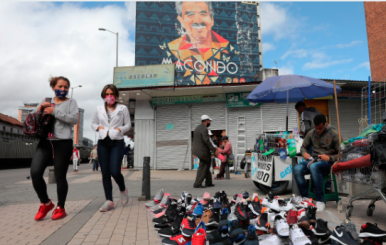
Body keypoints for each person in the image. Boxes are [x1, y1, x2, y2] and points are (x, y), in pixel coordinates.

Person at [30, 76, 79, 221]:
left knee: (60, 177)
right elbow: (33, 117)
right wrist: (40, 109)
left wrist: (54, 111)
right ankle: (45, 203)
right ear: (53, 87)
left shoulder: (72, 102)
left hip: (63, 143)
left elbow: (74, 119)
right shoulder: (46, 101)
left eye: (66, 87)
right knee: (35, 173)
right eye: (60, 86)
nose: (63, 89)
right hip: (45, 142)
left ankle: (60, 207)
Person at [167, 1, 231, 85]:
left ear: (211, 19)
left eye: (203, 14)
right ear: (181, 20)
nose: (197, 20)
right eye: (190, 14)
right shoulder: (172, 49)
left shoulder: (228, 49)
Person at [91, 84, 131, 212]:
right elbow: (93, 123)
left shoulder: (122, 108)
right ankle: (109, 200)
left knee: (115, 171)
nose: (109, 97)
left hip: (117, 141)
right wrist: (98, 128)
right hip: (103, 141)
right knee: (105, 173)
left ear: (116, 96)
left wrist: (120, 129)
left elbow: (128, 125)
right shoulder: (98, 109)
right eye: (107, 94)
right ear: (104, 96)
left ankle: (122, 189)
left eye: (112, 94)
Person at [293, 114, 340, 211]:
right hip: (314, 159)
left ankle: (320, 200)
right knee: (297, 169)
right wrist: (304, 153)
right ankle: (305, 198)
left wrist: (329, 158)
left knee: (314, 167)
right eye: (316, 128)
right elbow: (303, 147)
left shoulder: (334, 134)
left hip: (328, 163)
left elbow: (342, 154)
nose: (318, 130)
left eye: (320, 128)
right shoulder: (311, 133)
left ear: (325, 125)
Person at [192, 115, 218, 188]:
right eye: (209, 121)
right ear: (206, 121)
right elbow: (206, 141)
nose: (210, 122)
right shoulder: (204, 129)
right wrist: (214, 150)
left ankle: (209, 182)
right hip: (202, 151)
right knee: (203, 167)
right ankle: (197, 183)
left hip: (198, 150)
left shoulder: (197, 128)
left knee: (206, 166)